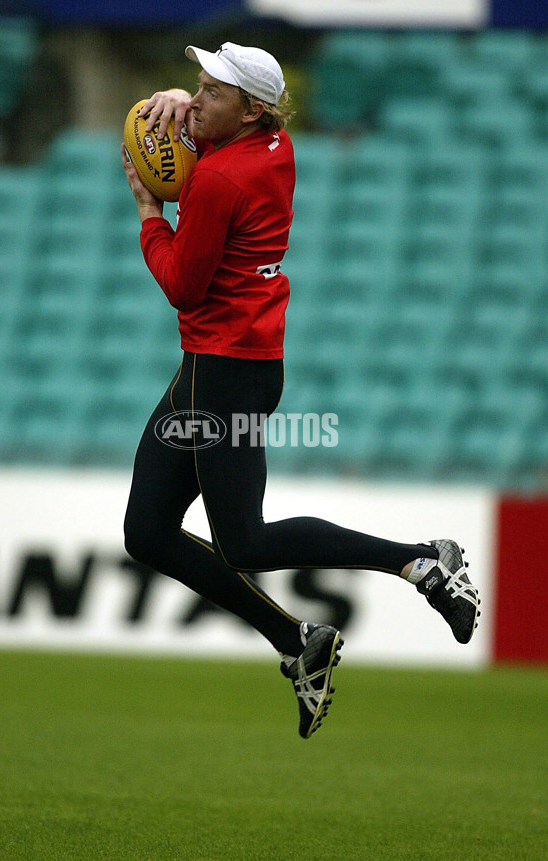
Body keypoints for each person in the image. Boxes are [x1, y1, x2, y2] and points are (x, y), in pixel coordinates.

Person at [121, 42, 480, 739]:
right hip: (237, 367)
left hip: (220, 375)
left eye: (210, 91)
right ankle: (297, 641)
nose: (195, 100)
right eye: (196, 84)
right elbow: (220, 126)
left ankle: (419, 560)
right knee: (148, 532)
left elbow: (182, 286)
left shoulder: (218, 181)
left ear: (249, 108)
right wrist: (183, 107)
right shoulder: (278, 145)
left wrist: (146, 214)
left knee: (245, 542)